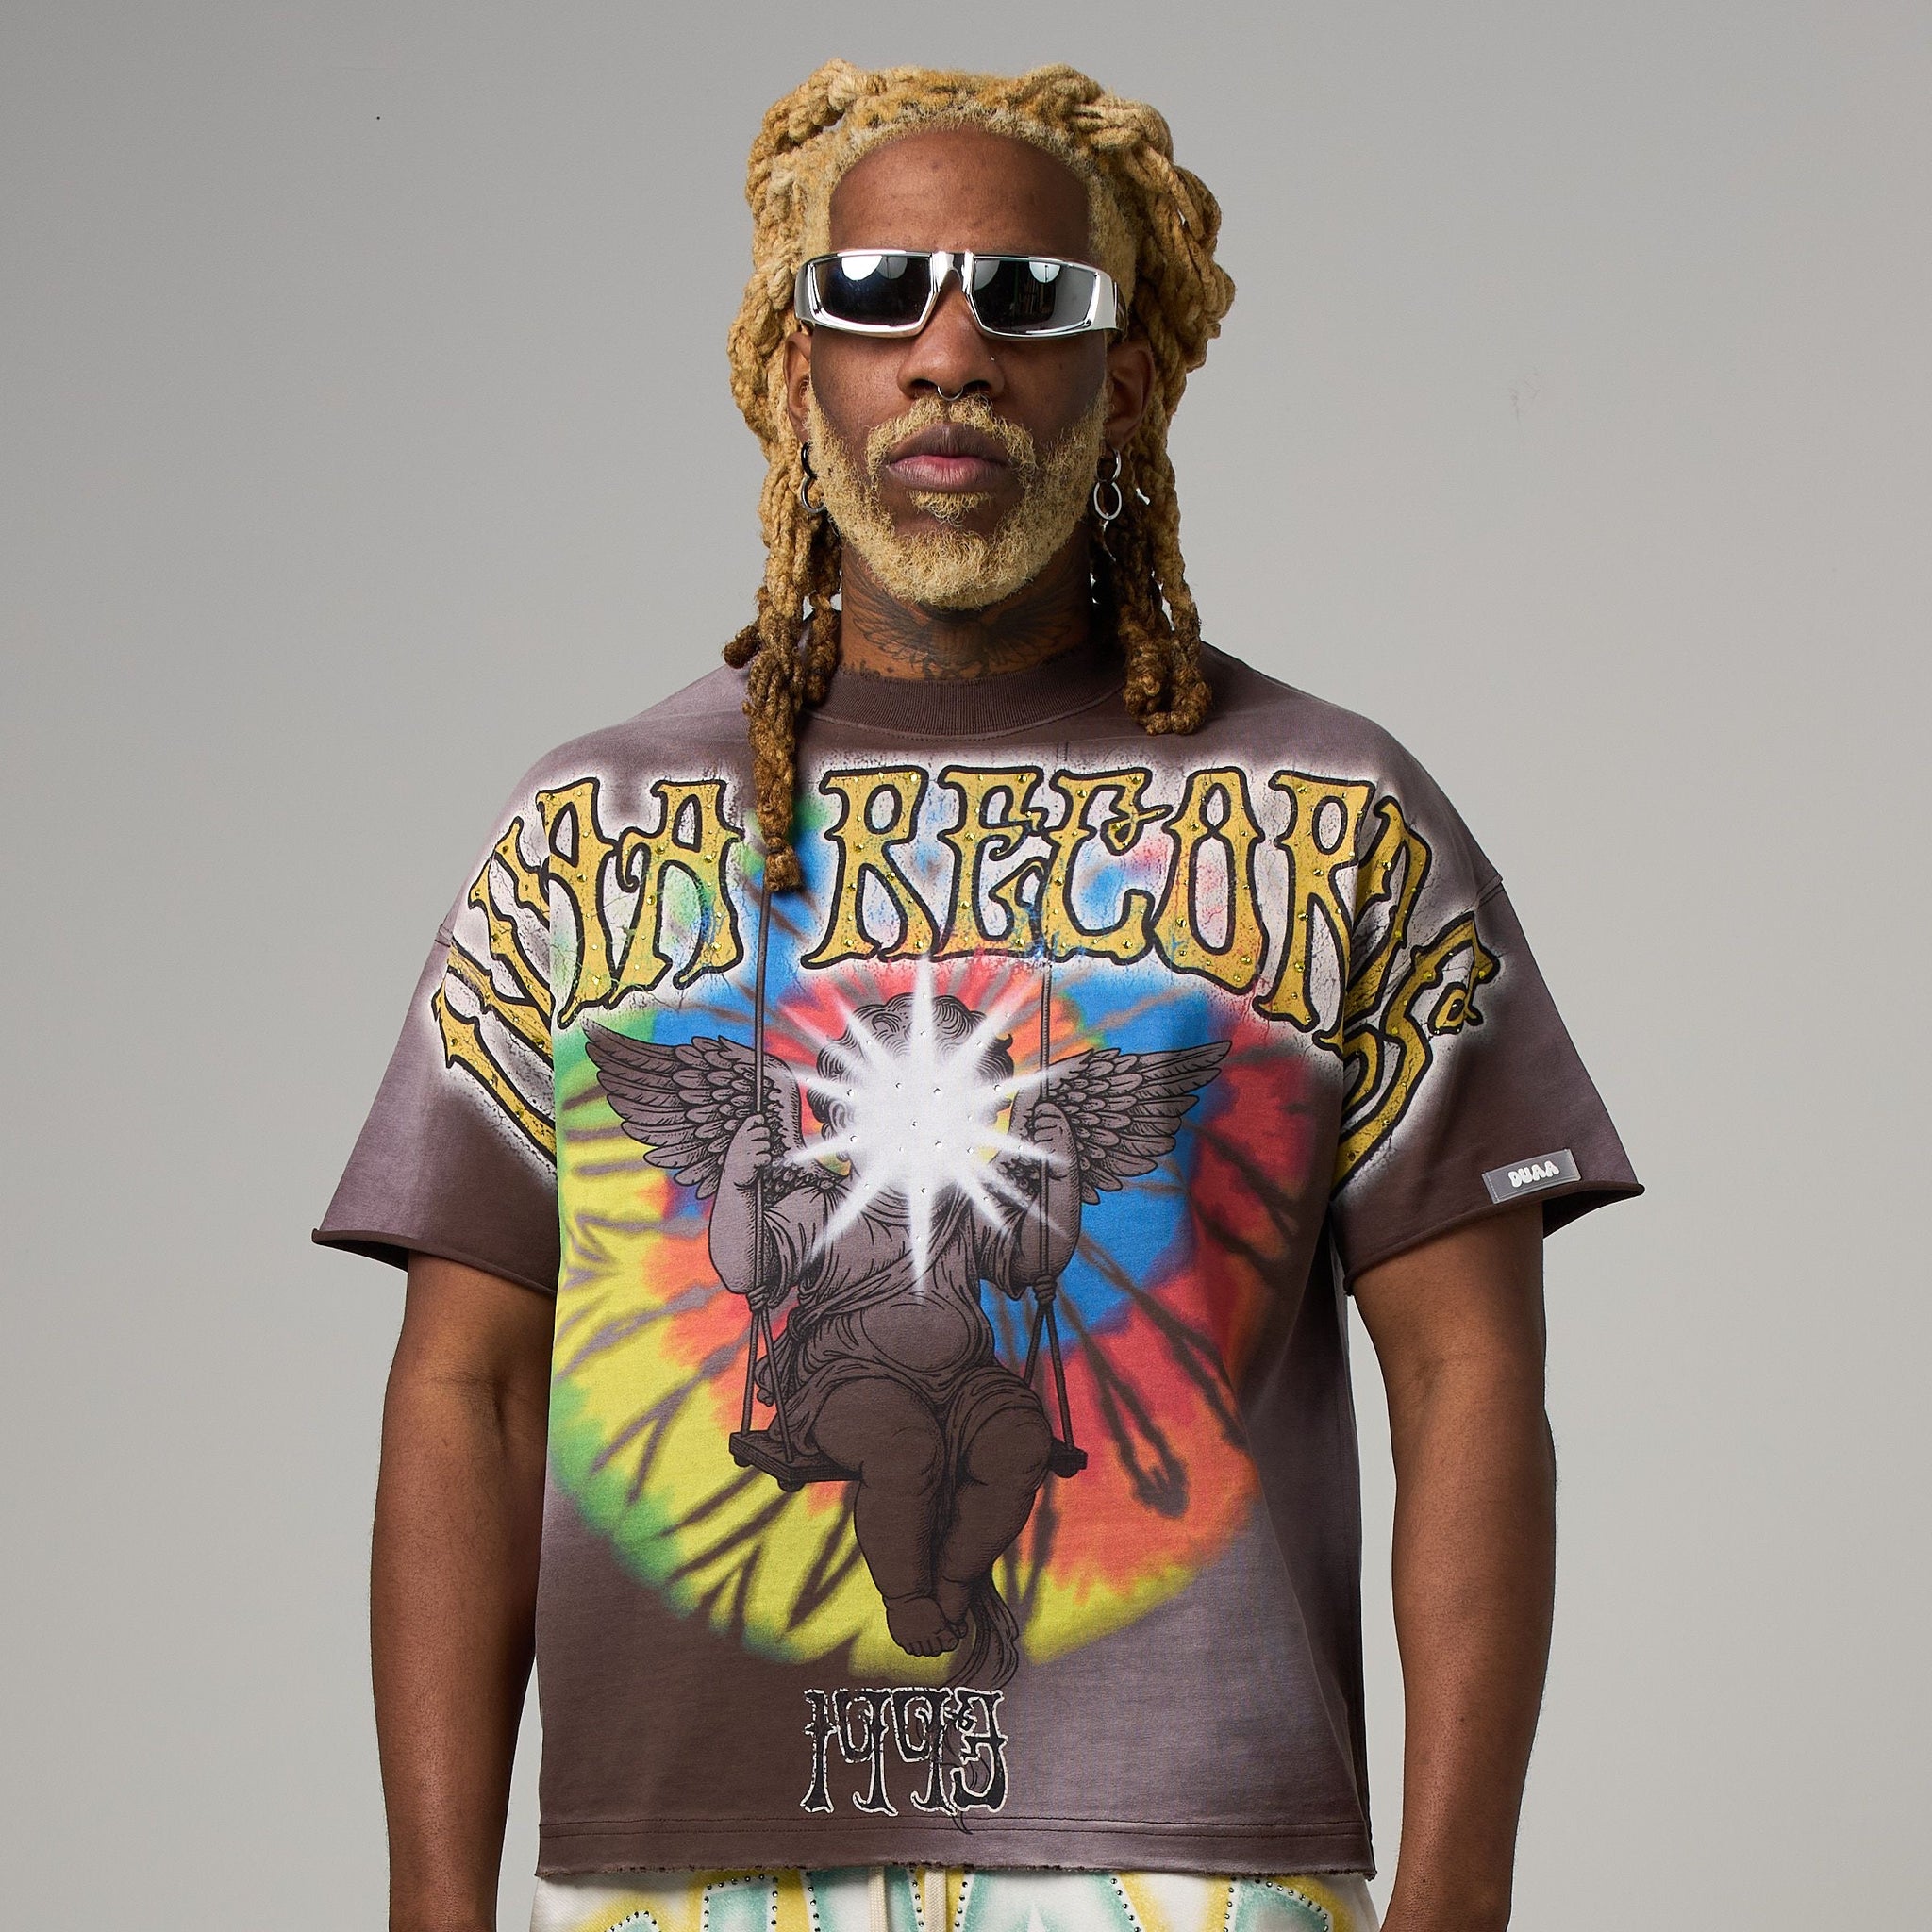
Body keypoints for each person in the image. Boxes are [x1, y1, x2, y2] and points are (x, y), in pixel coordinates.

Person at [317, 59, 1640, 1932]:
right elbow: (470, 1390)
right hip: (685, 1878)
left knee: (1001, 1448)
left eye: (1027, 296)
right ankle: (919, 1567)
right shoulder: (584, 831)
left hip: (1190, 1871)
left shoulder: (1334, 813)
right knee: (894, 1451)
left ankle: (953, 1571)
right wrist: (430, 1909)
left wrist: (1459, 1899)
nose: (951, 353)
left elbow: (1467, 1367)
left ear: (1128, 376)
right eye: (876, 295)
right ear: (799, 369)